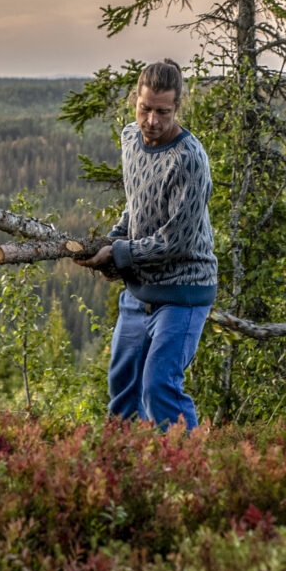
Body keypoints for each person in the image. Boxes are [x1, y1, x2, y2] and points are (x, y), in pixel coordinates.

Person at [75, 59, 215, 430]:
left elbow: (176, 241)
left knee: (159, 387)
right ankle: (127, 472)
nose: (152, 120)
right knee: (122, 385)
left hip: (183, 289)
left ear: (177, 108)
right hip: (139, 290)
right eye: (145, 108)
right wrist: (111, 241)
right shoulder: (130, 140)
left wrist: (119, 254)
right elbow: (137, 206)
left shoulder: (190, 159)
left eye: (163, 112)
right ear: (134, 100)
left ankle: (189, 471)